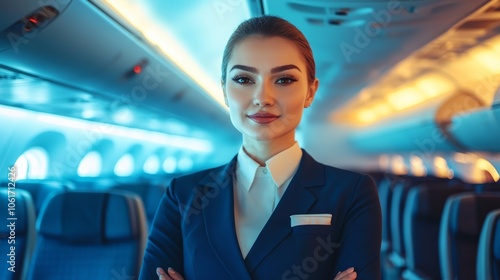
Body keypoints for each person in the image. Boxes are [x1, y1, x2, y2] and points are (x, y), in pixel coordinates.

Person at [139, 15, 381, 280]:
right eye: (244, 79)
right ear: (224, 91)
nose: (263, 98)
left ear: (310, 92)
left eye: (284, 80)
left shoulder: (352, 193)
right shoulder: (183, 196)